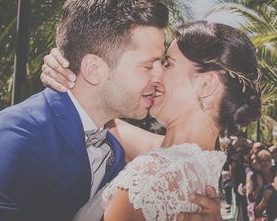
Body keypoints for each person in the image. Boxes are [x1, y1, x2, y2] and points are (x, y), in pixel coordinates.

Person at [0, 0, 221, 221]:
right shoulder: (18, 137)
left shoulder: (113, 149)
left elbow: (181, 149)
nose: (159, 76)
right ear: (93, 69)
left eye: (162, 63)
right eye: (148, 65)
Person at [73, 20, 262, 220]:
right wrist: (72, 76)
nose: (155, 74)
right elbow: (112, 127)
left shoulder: (153, 173)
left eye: (167, 64)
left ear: (206, 84)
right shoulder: (194, 165)